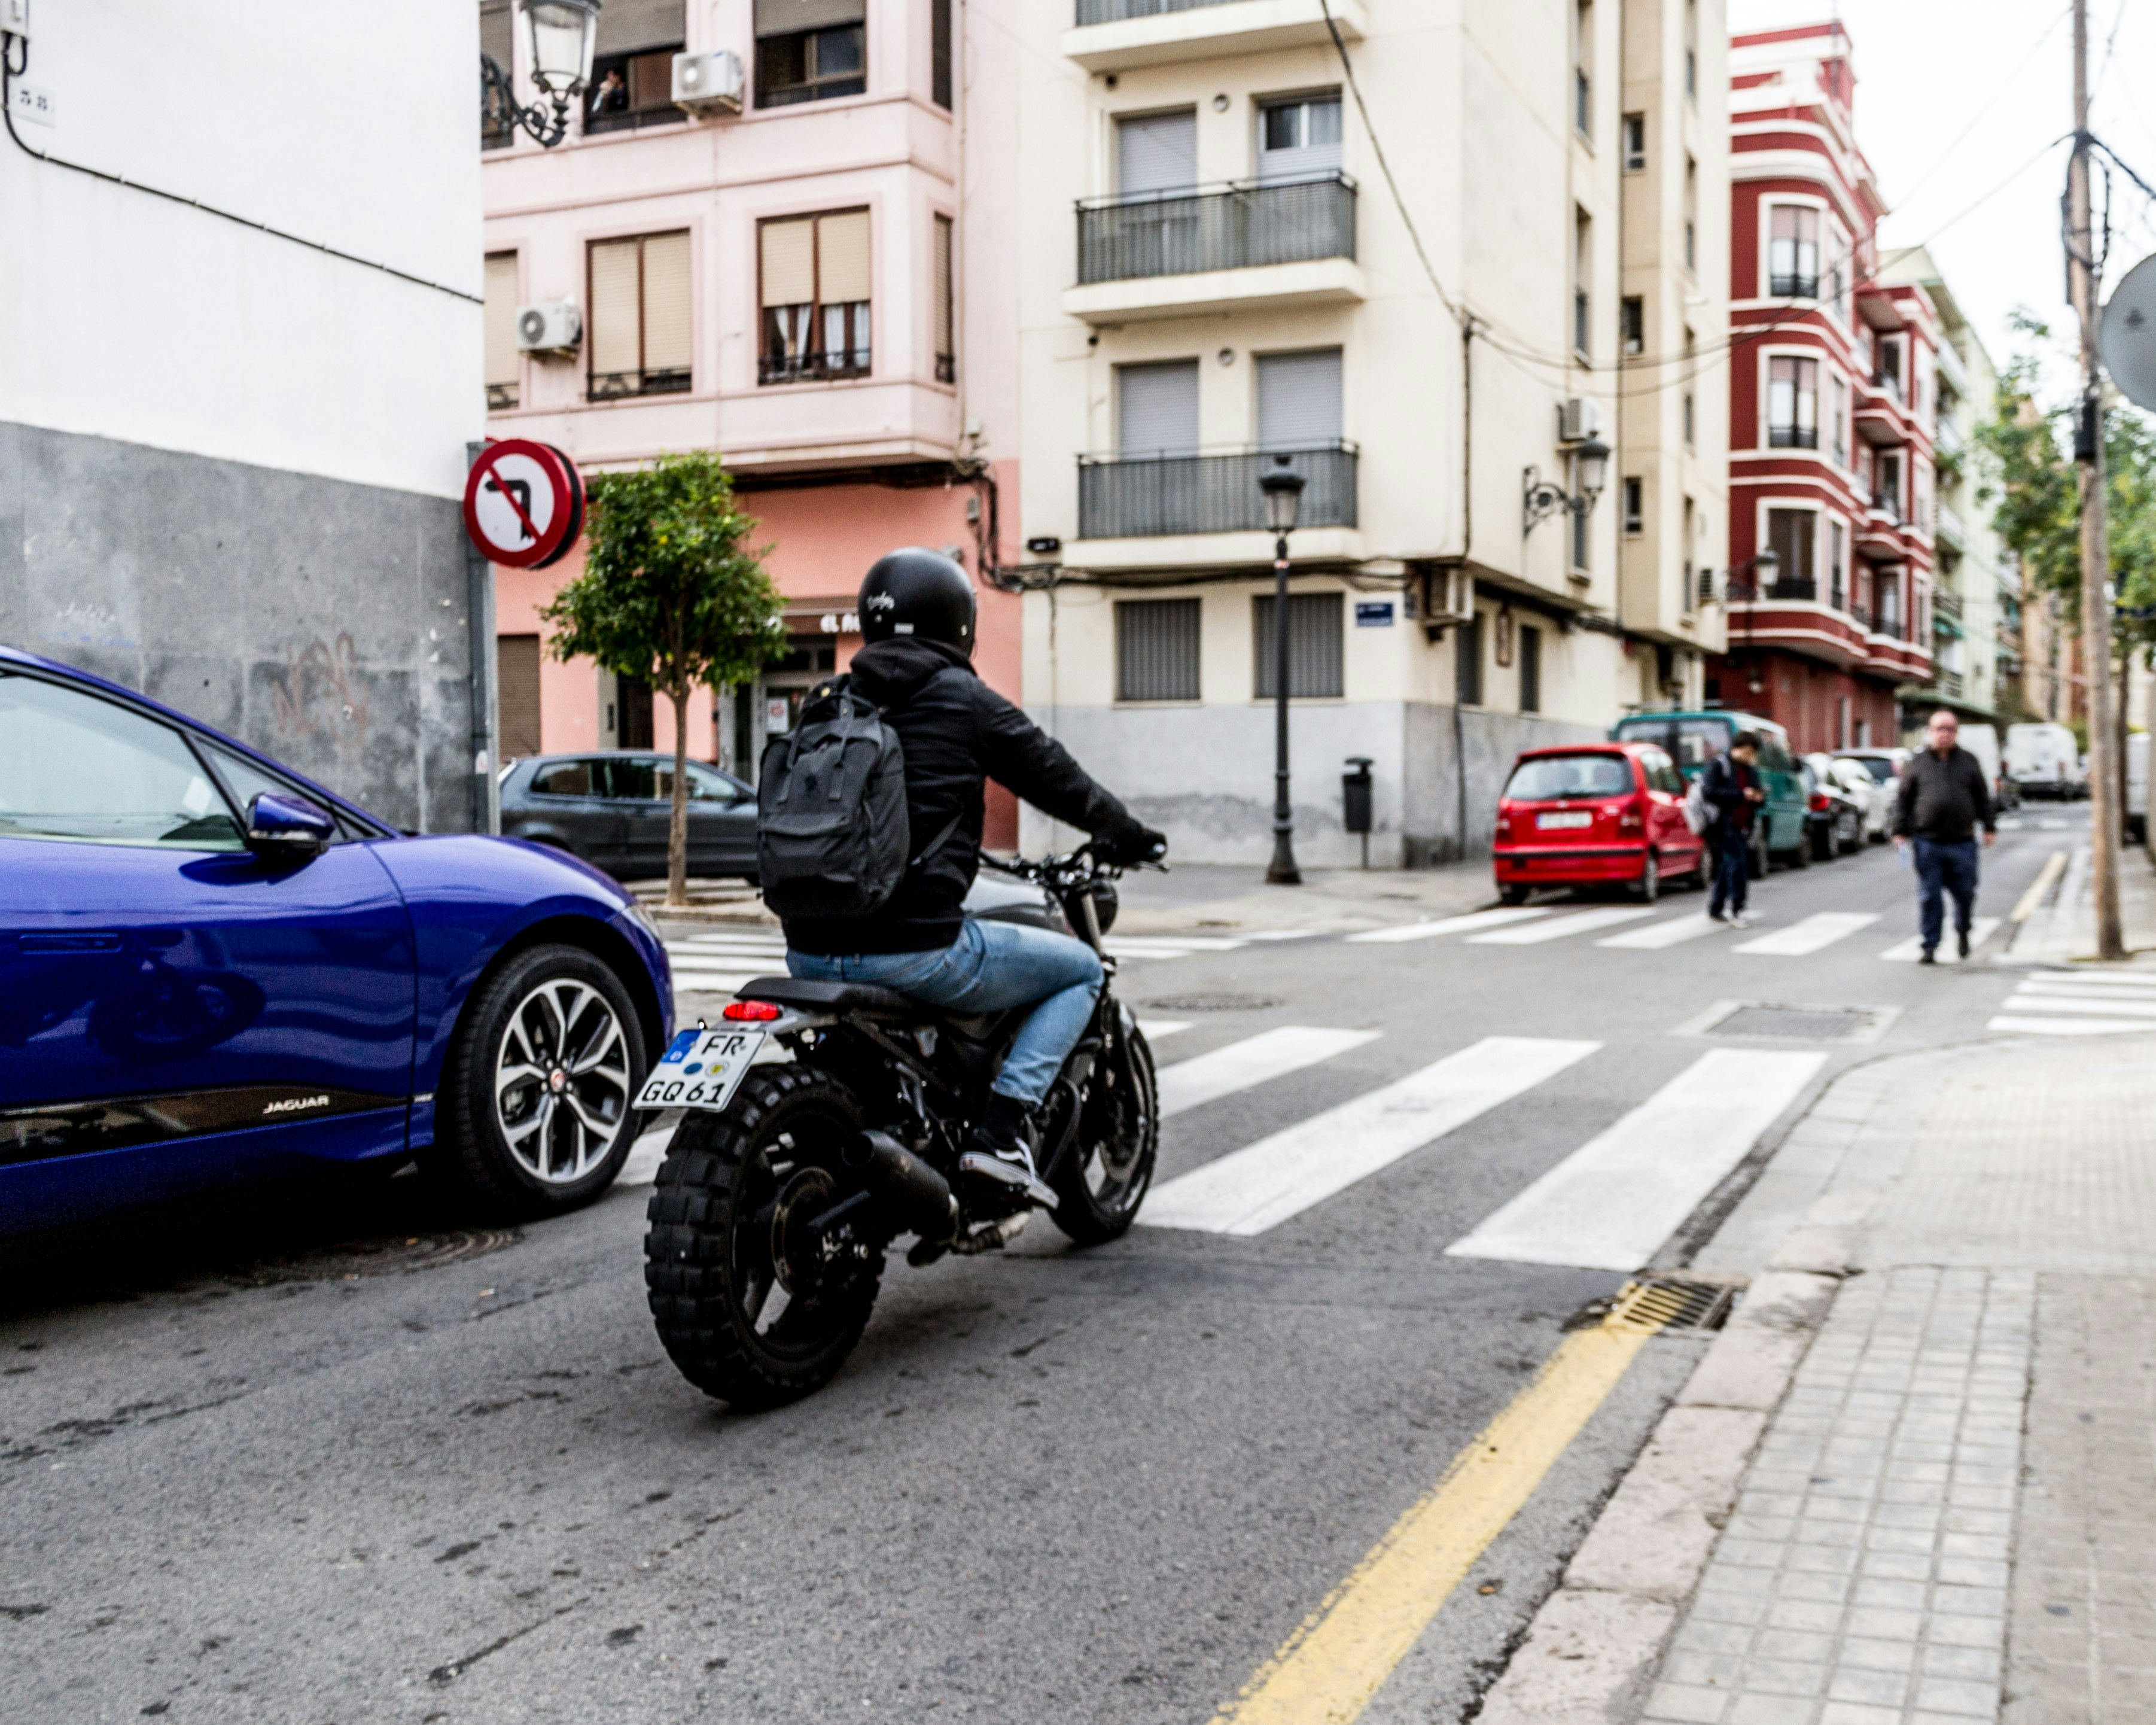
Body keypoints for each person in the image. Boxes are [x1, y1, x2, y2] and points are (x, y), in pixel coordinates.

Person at [781, 549, 1167, 1207]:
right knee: (1081, 971)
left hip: (807, 950)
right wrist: (1126, 833)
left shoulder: (827, 702)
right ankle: (1001, 1133)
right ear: (958, 624)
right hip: (917, 953)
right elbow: (1056, 776)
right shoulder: (963, 699)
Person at [1895, 708, 1996, 963]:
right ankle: (1930, 946)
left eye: (1950, 729)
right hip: (1928, 842)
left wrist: (1990, 826)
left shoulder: (1969, 761)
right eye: (1940, 729)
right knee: (1930, 895)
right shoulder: (1917, 763)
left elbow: (1982, 797)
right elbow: (1904, 800)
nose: (1945, 734)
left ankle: (1962, 931)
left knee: (1965, 893)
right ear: (1930, 732)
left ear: (1956, 733)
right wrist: (1900, 831)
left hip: (1962, 842)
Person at [1701, 732, 1766, 928]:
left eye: (1752, 754)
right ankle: (1737, 908)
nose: (1748, 757)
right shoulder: (1720, 765)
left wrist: (1758, 798)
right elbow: (1709, 792)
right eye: (1746, 752)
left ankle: (1716, 907)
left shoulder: (1751, 771)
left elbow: (1757, 794)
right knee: (1738, 863)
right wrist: (1740, 795)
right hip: (1721, 824)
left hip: (1741, 825)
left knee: (1727, 864)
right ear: (1736, 748)